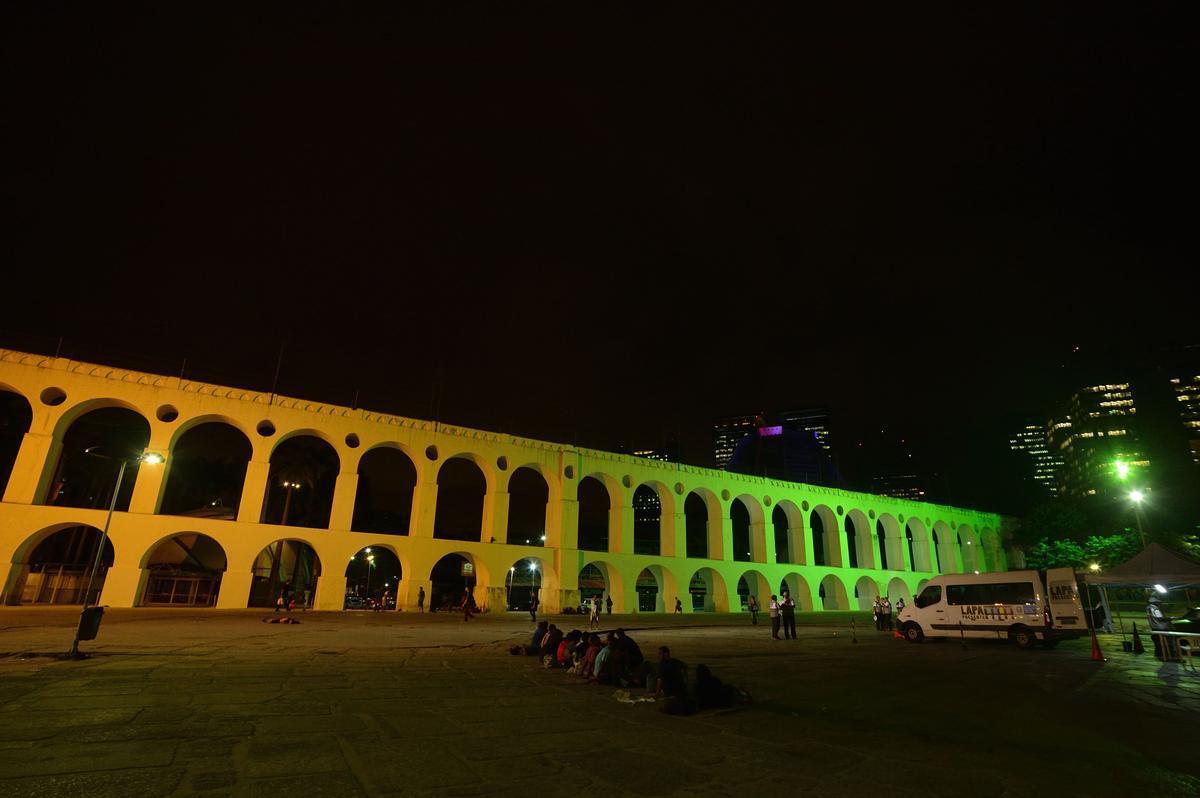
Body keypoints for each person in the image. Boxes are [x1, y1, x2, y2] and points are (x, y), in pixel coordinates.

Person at [655, 646, 694, 715]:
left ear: (666, 654)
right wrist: (685, 679)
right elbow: (685, 666)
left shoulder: (662, 665)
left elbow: (659, 681)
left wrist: (657, 694)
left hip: (671, 692)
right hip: (681, 691)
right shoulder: (675, 662)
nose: (658, 656)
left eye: (660, 653)